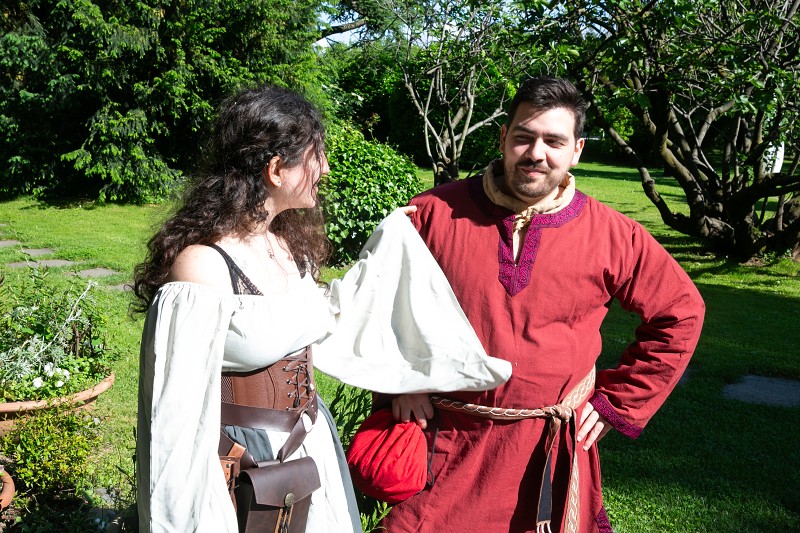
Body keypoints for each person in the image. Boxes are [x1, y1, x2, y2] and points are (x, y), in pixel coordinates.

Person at [132, 84, 511, 532]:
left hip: (308, 449)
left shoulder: (286, 248)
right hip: (235, 468)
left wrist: (391, 241)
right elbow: (172, 420)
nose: (326, 169)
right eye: (316, 157)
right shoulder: (203, 266)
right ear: (276, 170)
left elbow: (325, 315)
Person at [383, 76, 706, 533]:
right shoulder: (433, 213)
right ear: (502, 138)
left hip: (548, 452)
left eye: (554, 141)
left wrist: (618, 403)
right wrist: (400, 381)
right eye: (523, 137)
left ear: (576, 150)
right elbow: (381, 301)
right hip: (447, 442)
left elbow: (681, 312)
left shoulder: (614, 235)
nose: (536, 153)